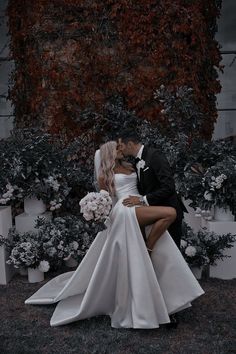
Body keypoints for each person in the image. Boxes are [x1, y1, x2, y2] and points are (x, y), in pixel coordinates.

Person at [25, 141, 204, 329]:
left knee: (165, 239)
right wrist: (97, 210)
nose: (120, 149)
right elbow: (106, 199)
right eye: (116, 148)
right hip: (125, 209)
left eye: (120, 146)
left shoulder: (131, 165)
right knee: (169, 213)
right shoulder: (105, 175)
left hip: (139, 204)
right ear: (110, 152)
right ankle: (147, 250)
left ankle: (164, 295)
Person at [117, 130, 187, 249]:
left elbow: (168, 187)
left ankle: (148, 249)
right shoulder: (135, 162)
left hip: (169, 210)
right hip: (155, 214)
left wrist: (142, 200)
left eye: (121, 146)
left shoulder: (155, 155)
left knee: (171, 255)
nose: (120, 149)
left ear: (129, 144)